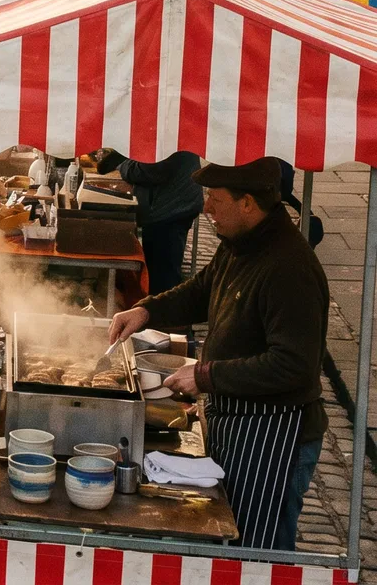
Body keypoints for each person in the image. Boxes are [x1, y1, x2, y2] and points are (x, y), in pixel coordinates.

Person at [107, 158, 329, 551]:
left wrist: (204, 376)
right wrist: (147, 311)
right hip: (239, 423)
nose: (205, 207)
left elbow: (293, 365)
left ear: (247, 203)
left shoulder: (288, 268)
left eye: (214, 198)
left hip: (276, 435)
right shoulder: (241, 244)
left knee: (258, 553)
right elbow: (201, 291)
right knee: (229, 535)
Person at [91, 149, 201, 296]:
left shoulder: (164, 134)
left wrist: (121, 165)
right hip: (171, 205)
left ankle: (162, 314)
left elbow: (149, 171)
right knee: (161, 267)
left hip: (169, 210)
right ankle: (159, 307)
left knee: (162, 273)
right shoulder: (162, 131)